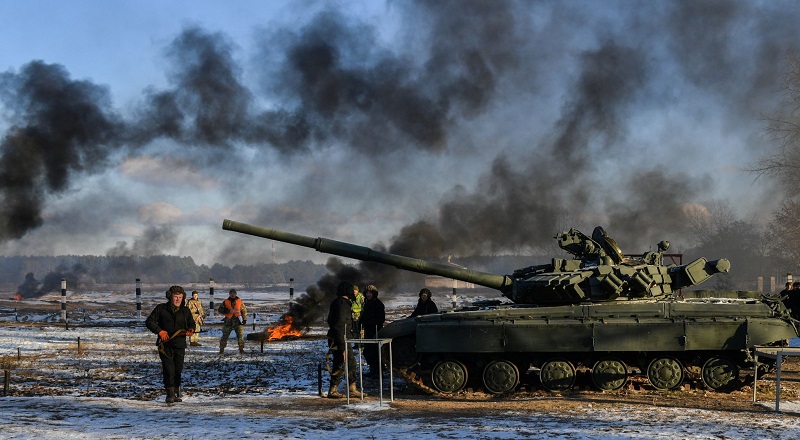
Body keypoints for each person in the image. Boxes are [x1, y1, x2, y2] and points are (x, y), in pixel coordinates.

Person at [145, 285, 195, 404]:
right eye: (175, 297)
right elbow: (149, 322)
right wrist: (160, 331)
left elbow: (192, 324)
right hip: (165, 345)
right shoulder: (161, 309)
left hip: (180, 345)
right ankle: (170, 395)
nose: (178, 299)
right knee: (169, 370)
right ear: (170, 297)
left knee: (178, 370)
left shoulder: (185, 311)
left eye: (180, 297)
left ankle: (177, 392)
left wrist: (191, 330)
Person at [326, 281, 362, 399]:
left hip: (341, 337)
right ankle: (333, 390)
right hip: (340, 339)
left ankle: (351, 389)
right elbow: (339, 324)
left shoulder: (339, 302)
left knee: (349, 362)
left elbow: (330, 320)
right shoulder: (342, 304)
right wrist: (342, 345)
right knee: (342, 363)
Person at [359, 284, 385, 376]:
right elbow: (364, 316)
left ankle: (378, 371)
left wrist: (370, 322)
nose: (368, 295)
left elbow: (381, 319)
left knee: (374, 352)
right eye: (367, 293)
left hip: (376, 331)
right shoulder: (366, 303)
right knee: (367, 352)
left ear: (374, 294)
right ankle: (373, 369)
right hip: (368, 331)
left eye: (370, 293)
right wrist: (360, 322)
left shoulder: (378, 304)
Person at [218, 288, 248, 354]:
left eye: (234, 293)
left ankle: (241, 349)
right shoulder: (225, 301)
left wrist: (245, 319)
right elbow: (219, 309)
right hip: (228, 321)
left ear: (235, 294)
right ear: (229, 294)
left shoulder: (239, 301)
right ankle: (221, 349)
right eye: (231, 293)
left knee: (240, 335)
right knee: (225, 336)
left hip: (238, 321)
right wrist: (224, 311)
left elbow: (244, 310)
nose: (232, 295)